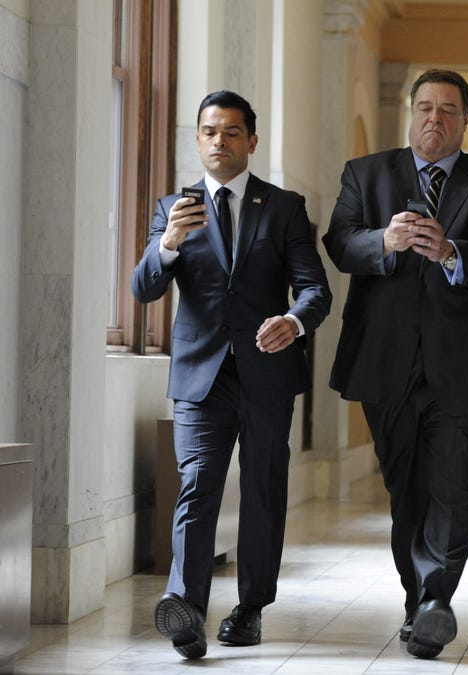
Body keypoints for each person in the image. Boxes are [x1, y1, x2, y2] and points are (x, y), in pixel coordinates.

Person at [322, 68, 468, 660]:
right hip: (386, 362)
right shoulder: (367, 173)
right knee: (406, 488)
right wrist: (383, 240)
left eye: (449, 111)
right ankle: (419, 603)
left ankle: (436, 598)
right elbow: (338, 243)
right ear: (411, 113)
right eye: (426, 108)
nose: (436, 119)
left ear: (465, 120)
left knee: (455, 483)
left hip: (467, 362)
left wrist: (455, 252)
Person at [131, 90, 332, 660]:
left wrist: (293, 321)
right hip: (200, 377)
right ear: (198, 139)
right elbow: (143, 288)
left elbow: (316, 288)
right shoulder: (172, 208)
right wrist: (167, 244)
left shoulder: (285, 208)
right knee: (197, 488)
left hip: (267, 373)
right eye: (209, 131)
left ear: (252, 141)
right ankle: (186, 611)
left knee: (264, 491)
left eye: (232, 132)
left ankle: (249, 610)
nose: (219, 141)